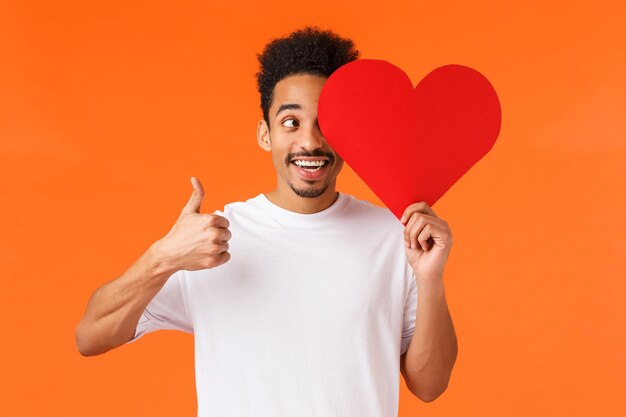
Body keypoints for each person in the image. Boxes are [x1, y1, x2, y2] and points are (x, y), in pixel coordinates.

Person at [75, 26, 458, 416]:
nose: (309, 141)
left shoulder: (394, 238)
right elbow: (90, 336)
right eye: (291, 122)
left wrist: (430, 279)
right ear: (265, 134)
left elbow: (430, 385)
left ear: (351, 133)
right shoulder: (212, 238)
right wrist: (163, 258)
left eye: (327, 123)